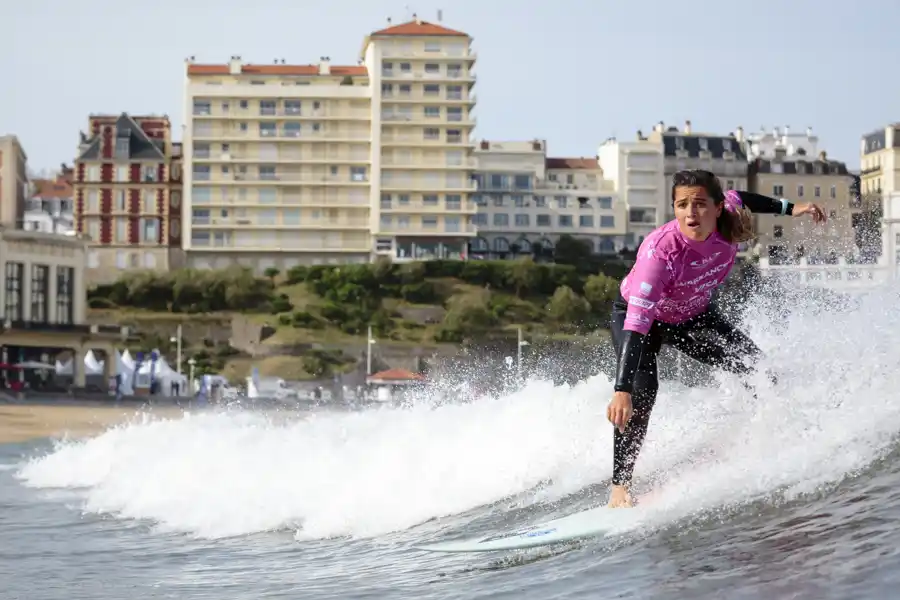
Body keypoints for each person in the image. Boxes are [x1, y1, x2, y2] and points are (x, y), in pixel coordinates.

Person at [606, 169, 827, 509]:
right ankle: (620, 487)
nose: (691, 213)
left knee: (757, 367)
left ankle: (770, 435)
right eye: (681, 205)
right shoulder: (660, 253)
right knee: (643, 392)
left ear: (718, 207)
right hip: (640, 319)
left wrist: (792, 207)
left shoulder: (729, 218)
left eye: (699, 204)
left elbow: (747, 197)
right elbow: (637, 324)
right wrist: (622, 390)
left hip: (693, 313)